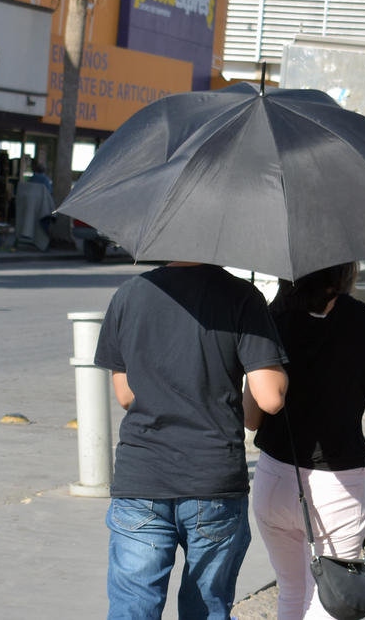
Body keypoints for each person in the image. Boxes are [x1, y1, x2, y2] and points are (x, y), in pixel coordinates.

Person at [94, 262, 289, 620]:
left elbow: (125, 395)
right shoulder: (241, 297)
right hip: (212, 479)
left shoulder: (128, 295)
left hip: (141, 478)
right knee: (206, 609)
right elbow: (270, 399)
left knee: (132, 606)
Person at [246, 263, 365, 619]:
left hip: (273, 475)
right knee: (332, 601)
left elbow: (251, 417)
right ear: (346, 271)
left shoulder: (272, 317)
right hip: (338, 485)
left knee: (291, 590)